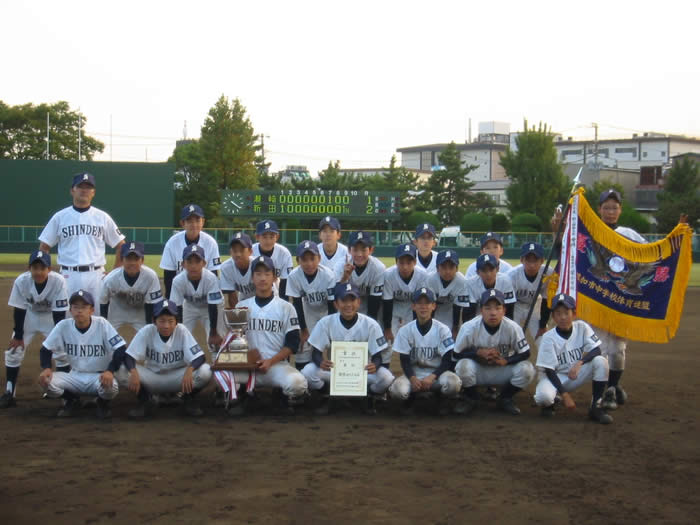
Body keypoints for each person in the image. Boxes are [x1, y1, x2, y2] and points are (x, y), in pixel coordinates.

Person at [551, 189, 646, 411]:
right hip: (597, 299)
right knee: (601, 347)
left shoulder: (629, 235)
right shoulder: (589, 231)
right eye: (606, 207)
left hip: (621, 300)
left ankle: (613, 386)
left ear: (620, 210)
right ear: (599, 210)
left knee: (619, 348)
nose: (610, 211)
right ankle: (606, 392)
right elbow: (567, 253)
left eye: (614, 207)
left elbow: (649, 257)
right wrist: (559, 232)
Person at [302, 283, 394, 415]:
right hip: (334, 371)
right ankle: (325, 394)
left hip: (362, 371)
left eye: (352, 300)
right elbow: (316, 353)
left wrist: (375, 364)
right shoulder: (326, 322)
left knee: (387, 378)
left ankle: (368, 396)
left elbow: (377, 355)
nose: (348, 304)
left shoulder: (371, 324)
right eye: (343, 300)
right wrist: (320, 362)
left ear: (359, 302)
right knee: (307, 372)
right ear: (336, 304)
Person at [231, 256, 308, 414]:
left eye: (267, 273)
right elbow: (234, 341)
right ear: (252, 278)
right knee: (222, 376)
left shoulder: (286, 307)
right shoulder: (241, 306)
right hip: (249, 367)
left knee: (298, 383)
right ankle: (245, 395)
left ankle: (280, 396)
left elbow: (292, 344)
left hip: (276, 365)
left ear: (274, 277)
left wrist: (271, 361)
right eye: (258, 274)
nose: (262, 278)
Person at [37, 290, 125, 418]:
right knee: (46, 382)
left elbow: (120, 348)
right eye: (75, 307)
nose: (79, 311)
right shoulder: (63, 325)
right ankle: (71, 399)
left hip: (99, 376)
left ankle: (102, 403)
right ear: (70, 310)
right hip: (75, 376)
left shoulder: (102, 324)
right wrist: (46, 368)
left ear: (91, 310)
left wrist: (110, 371)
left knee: (112, 387)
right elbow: (45, 349)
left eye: (84, 307)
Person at [38, 172, 125, 301]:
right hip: (68, 275)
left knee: (97, 317)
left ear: (93, 192)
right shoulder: (60, 217)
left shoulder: (102, 217)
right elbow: (44, 247)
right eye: (80, 187)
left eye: (88, 187)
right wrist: (48, 273)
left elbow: (121, 245)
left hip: (96, 275)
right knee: (67, 316)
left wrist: (114, 273)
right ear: (72, 191)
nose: (84, 190)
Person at [120, 299, 212, 418]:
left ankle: (187, 398)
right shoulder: (147, 331)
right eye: (162, 321)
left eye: (170, 321)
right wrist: (133, 372)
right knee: (121, 369)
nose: (166, 325)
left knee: (206, 371)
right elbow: (129, 356)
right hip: (152, 378)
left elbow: (200, 357)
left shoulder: (182, 330)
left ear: (176, 322)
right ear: (154, 321)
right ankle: (146, 400)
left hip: (178, 378)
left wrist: (189, 370)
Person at [1, 251, 69, 408]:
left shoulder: (58, 282)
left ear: (49, 269)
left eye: (42, 268)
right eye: (35, 268)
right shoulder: (22, 281)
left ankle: (66, 394)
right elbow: (19, 309)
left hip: (51, 317)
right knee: (14, 351)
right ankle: (10, 392)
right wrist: (18, 335)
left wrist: (57, 338)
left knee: (61, 352)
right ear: (29, 268)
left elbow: (59, 314)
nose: (38, 272)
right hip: (29, 316)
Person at [453, 289, 535, 416]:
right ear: (481, 311)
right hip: (478, 370)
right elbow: (456, 354)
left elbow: (525, 353)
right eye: (488, 308)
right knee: (462, 366)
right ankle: (472, 398)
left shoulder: (513, 328)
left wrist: (506, 360)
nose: (493, 313)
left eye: (497, 308)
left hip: (502, 370)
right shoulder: (469, 327)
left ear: (504, 310)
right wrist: (477, 353)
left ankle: (505, 398)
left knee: (527, 370)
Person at [533, 293, 613, 424]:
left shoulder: (582, 327)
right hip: (555, 377)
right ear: (553, 316)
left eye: (566, 312)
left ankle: (596, 407)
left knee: (601, 361)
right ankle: (551, 403)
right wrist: (565, 395)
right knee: (543, 397)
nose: (563, 317)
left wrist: (580, 363)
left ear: (574, 314)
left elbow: (596, 349)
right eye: (558, 313)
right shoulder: (548, 337)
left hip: (575, 374)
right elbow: (549, 370)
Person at [388, 288, 462, 415]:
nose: (423, 307)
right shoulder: (405, 330)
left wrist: (432, 377)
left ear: (433, 306)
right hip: (413, 374)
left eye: (427, 303)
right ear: (413, 306)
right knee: (397, 391)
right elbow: (404, 361)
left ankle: (441, 399)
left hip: (436, 375)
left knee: (453, 383)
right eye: (419, 303)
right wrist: (412, 378)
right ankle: (411, 399)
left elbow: (447, 360)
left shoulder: (442, 329)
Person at [286, 241, 337, 371]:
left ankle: (334, 379)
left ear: (319, 259)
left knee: (333, 342)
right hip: (307, 311)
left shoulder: (328, 275)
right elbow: (296, 304)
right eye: (304, 259)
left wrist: (330, 328)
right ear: (298, 260)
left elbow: (332, 305)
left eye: (312, 259)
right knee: (304, 345)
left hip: (326, 311)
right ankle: (303, 376)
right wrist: (303, 330)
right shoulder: (294, 275)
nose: (309, 263)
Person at [169, 245, 225, 350]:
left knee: (216, 341)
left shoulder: (211, 279)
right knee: (179, 339)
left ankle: (218, 365)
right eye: (189, 262)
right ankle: (182, 365)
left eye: (197, 261)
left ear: (204, 263)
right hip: (189, 307)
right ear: (183, 264)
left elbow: (213, 306)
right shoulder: (178, 281)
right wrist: (179, 330)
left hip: (212, 308)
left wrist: (213, 332)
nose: (193, 266)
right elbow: (177, 307)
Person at [99, 242, 162, 334]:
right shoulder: (110, 279)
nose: (132, 263)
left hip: (140, 314)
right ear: (122, 260)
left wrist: (150, 328)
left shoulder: (151, 276)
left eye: (136, 259)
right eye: (128, 259)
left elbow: (151, 304)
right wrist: (104, 325)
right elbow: (103, 302)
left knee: (151, 336)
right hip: (116, 313)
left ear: (142, 260)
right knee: (106, 337)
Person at [160, 203, 221, 298]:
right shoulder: (172, 243)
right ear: (182, 223)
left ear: (203, 222)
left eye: (197, 220)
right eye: (189, 221)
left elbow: (213, 277)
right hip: (180, 293)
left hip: (204, 295)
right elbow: (168, 279)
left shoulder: (210, 243)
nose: (194, 225)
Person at [382, 243, 428, 368]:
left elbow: (419, 302)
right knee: (388, 340)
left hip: (411, 306)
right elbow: (387, 302)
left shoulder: (422, 275)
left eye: (409, 262)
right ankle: (385, 366)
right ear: (396, 262)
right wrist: (387, 329)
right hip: (394, 306)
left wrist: (416, 325)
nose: (405, 266)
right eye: (401, 262)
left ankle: (414, 368)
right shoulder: (388, 274)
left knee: (413, 338)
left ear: (415, 262)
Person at [506, 242, 552, 343]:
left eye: (535, 260)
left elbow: (546, 300)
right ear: (521, 260)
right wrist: (510, 325)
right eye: (528, 260)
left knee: (543, 338)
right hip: (515, 305)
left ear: (542, 261)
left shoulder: (548, 273)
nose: (532, 265)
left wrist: (543, 325)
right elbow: (508, 304)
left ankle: (546, 359)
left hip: (534, 305)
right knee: (511, 336)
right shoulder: (512, 275)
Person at [340, 231, 385, 319]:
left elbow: (374, 303)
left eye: (363, 250)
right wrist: (344, 278)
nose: (359, 254)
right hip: (346, 310)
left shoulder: (378, 268)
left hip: (369, 310)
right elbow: (337, 298)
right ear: (349, 250)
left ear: (371, 250)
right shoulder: (341, 265)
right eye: (355, 250)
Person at [425, 250, 469, 338]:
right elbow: (428, 306)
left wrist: (455, 328)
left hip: (451, 312)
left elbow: (458, 307)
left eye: (451, 267)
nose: (448, 271)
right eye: (444, 267)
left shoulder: (462, 281)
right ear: (437, 268)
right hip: (434, 312)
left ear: (457, 268)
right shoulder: (430, 280)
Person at [462, 254, 516, 322]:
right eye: (484, 270)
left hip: (500, 317)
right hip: (478, 318)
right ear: (477, 272)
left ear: (497, 269)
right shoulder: (470, 284)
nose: (488, 274)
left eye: (491, 269)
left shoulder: (505, 281)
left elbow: (509, 309)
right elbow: (469, 313)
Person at [252, 220, 294, 301]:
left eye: (271, 237)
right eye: (264, 236)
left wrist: (282, 305)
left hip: (275, 292)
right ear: (257, 237)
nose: (268, 241)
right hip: (251, 291)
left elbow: (284, 283)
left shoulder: (284, 253)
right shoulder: (250, 251)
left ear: (277, 237)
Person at [219, 232, 256, 308]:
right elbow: (231, 296)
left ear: (250, 252)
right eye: (235, 251)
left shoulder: (257, 265)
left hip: (267, 299)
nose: (238, 254)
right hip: (244, 299)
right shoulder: (226, 268)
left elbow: (266, 292)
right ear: (230, 252)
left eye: (242, 250)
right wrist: (237, 313)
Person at [317, 216, 349, 280]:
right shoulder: (314, 251)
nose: (328, 234)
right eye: (324, 231)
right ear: (320, 235)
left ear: (338, 235)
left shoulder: (347, 252)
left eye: (331, 231)